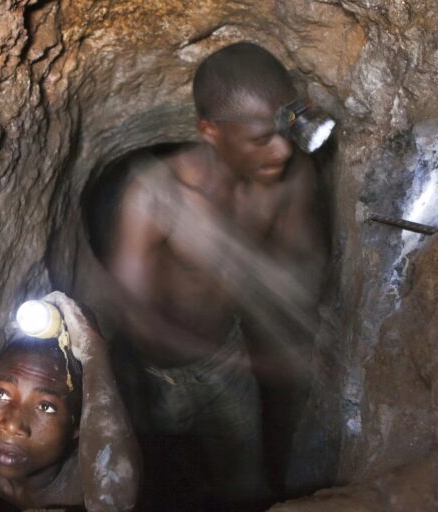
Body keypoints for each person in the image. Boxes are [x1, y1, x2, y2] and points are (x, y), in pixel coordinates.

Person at [106, 42, 328, 505]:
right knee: (146, 485)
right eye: (260, 138)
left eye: (288, 129)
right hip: (146, 372)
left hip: (226, 362)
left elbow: (302, 272)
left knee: (246, 488)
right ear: (209, 131)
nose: (283, 150)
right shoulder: (153, 197)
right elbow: (134, 315)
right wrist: (244, 361)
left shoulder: (291, 180)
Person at [0, 292, 141, 511]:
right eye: (1, 393)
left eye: (46, 406)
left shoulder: (82, 486)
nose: (11, 426)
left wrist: (93, 351)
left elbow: (115, 499)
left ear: (78, 425)